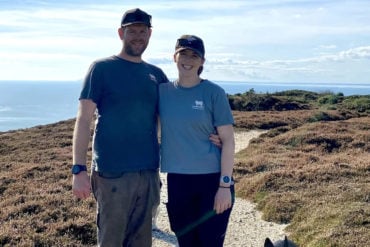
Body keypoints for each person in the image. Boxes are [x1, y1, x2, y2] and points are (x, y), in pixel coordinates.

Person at [71, 8, 168, 247]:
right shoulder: (101, 68)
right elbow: (83, 120)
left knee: (142, 241)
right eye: (131, 30)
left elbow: (173, 119)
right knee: (111, 240)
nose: (137, 36)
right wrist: (78, 169)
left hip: (148, 172)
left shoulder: (157, 75)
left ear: (150, 34)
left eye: (142, 31)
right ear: (120, 33)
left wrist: (212, 136)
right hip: (112, 172)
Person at [159, 35, 235, 247]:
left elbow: (228, 141)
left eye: (195, 55)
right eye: (183, 53)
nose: (188, 59)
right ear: (174, 57)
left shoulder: (214, 93)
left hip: (212, 181)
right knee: (186, 242)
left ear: (202, 61)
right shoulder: (163, 92)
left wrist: (224, 186)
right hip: (177, 181)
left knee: (210, 243)